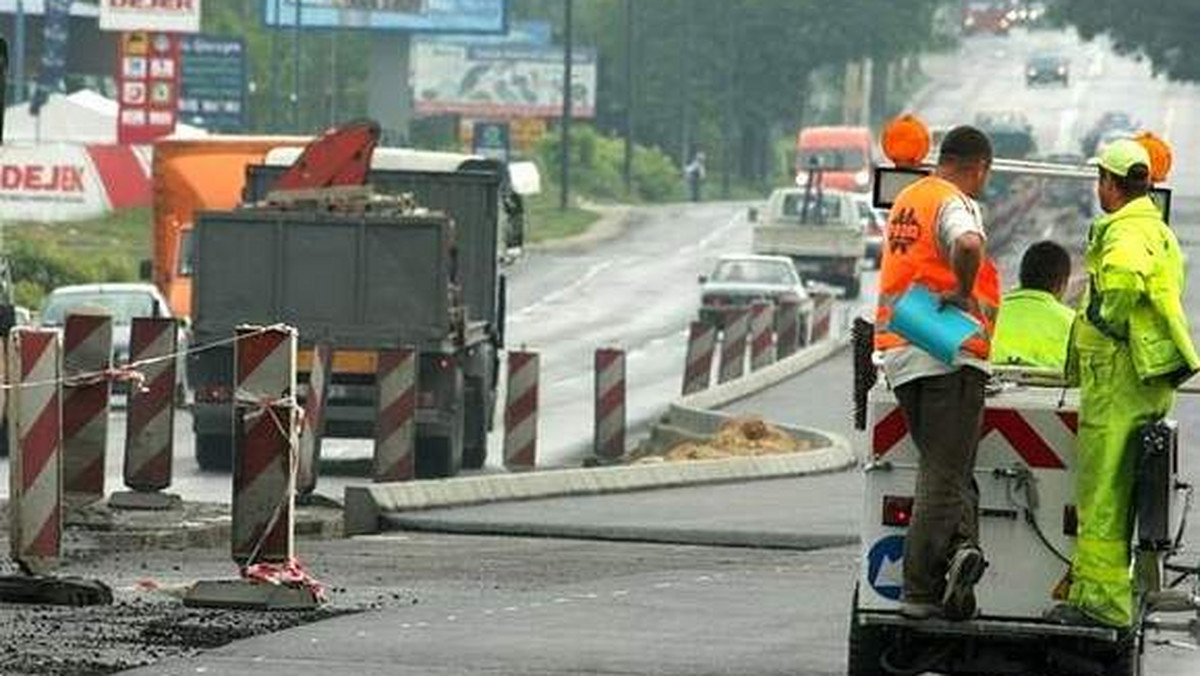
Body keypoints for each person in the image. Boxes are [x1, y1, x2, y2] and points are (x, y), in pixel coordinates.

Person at [1046, 140, 1199, 628]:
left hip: (1116, 375)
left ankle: (1101, 604)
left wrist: (1105, 317)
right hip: (1143, 377)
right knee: (1121, 490)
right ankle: (1099, 595)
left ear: (1109, 183)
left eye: (1101, 182)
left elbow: (1126, 280)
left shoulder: (1126, 231)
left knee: (1103, 493)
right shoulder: (1158, 230)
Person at [875, 125, 1000, 621]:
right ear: (979, 167)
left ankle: (960, 552)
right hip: (947, 351)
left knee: (950, 468)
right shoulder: (955, 202)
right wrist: (965, 289)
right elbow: (968, 245)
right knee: (943, 474)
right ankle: (920, 589)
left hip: (904, 349)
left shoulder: (909, 198)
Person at [990, 241, 1076, 369]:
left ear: (1022, 277)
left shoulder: (990, 313)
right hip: (1051, 388)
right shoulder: (1074, 323)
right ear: (1061, 284)